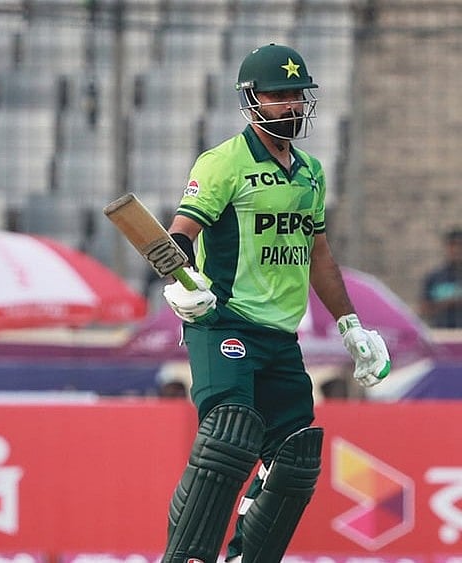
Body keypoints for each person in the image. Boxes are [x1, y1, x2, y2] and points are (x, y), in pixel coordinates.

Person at [157, 43, 392, 562]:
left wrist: (351, 325)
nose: (291, 104)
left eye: (297, 95)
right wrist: (181, 283)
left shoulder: (309, 171)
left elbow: (319, 254)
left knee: (296, 458)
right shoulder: (222, 163)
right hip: (224, 324)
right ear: (252, 99)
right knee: (230, 436)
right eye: (279, 94)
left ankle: (247, 556)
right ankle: (186, 557)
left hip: (281, 336)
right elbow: (180, 235)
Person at [420, 228, 462, 328]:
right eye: (452, 245)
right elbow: (423, 309)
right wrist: (448, 303)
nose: (456, 250)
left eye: (460, 245)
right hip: (442, 334)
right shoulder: (435, 277)